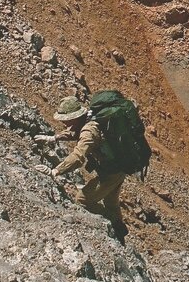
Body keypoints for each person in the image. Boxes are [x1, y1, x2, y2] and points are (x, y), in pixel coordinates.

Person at [47, 96, 128, 243]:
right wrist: (55, 138)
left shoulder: (89, 130)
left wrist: (56, 171)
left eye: (66, 119)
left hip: (111, 173)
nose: (64, 122)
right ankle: (120, 232)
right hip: (120, 166)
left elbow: (78, 156)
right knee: (111, 203)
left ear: (76, 117)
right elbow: (75, 133)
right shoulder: (91, 119)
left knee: (83, 199)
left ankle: (113, 226)